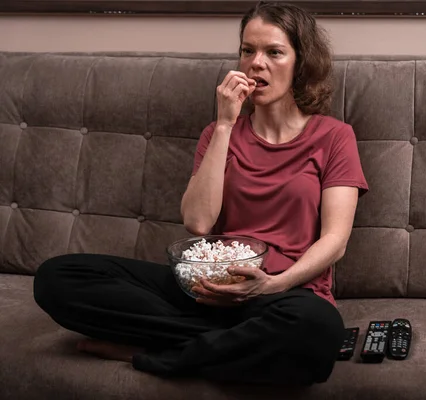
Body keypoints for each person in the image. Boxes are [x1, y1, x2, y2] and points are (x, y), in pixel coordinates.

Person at [33, 1, 368, 386]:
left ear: (301, 63)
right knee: (58, 277)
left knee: (317, 331)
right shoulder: (217, 134)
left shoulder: (334, 136)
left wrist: (273, 283)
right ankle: (225, 346)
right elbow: (198, 222)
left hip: (283, 294)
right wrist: (226, 124)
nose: (256, 63)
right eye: (248, 50)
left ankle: (154, 352)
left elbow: (335, 240)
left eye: (274, 52)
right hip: (206, 289)